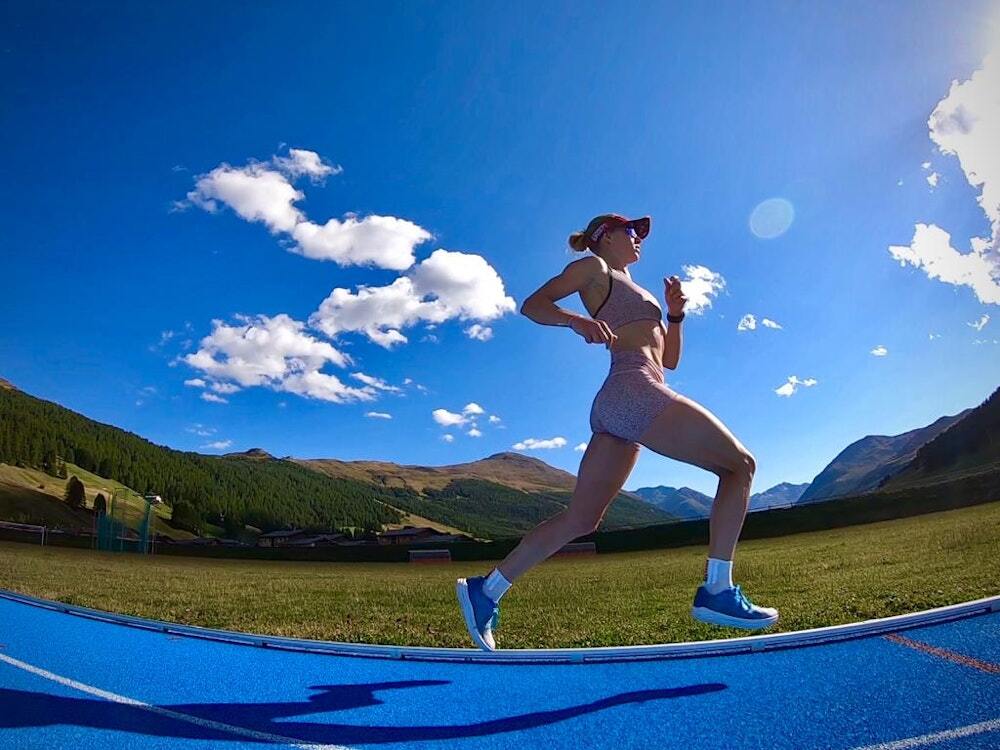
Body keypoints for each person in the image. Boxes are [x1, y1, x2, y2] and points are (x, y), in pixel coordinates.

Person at [456, 213, 778, 651]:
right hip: (632, 389)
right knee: (740, 467)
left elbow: (670, 363)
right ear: (603, 237)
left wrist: (676, 316)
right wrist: (576, 321)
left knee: (581, 519)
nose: (640, 240)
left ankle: (485, 591)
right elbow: (533, 305)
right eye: (632, 232)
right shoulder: (595, 269)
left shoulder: (638, 290)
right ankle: (717, 590)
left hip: (624, 400)